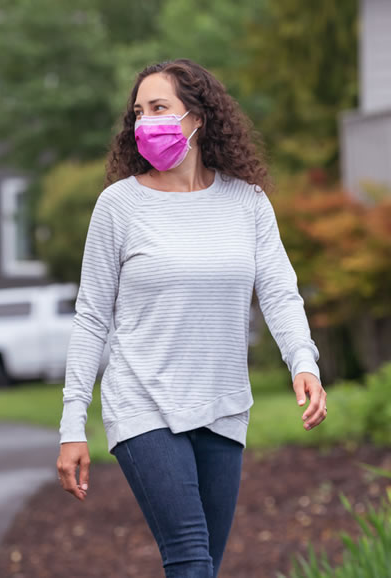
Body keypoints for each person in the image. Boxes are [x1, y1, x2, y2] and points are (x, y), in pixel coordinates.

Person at [56, 59, 327, 578]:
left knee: (205, 565)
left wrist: (302, 362)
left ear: (199, 117)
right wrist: (72, 425)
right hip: (142, 403)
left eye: (160, 108)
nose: (145, 122)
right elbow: (92, 318)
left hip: (222, 403)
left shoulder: (246, 202)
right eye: (139, 112)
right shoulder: (119, 206)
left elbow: (279, 291)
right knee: (188, 557)